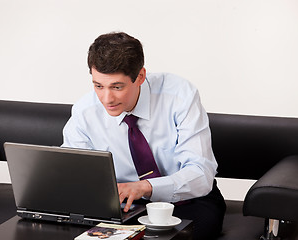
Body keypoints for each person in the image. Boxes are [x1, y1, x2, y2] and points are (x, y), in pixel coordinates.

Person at [62, 32, 226, 239]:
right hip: (125, 204)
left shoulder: (179, 96)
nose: (106, 98)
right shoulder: (85, 111)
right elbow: (73, 170)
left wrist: (146, 187)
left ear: (140, 76)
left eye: (117, 87)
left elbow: (201, 173)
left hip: (188, 201)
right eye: (98, 86)